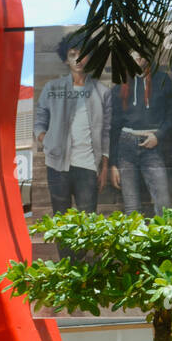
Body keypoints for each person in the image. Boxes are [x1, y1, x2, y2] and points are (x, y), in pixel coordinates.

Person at [35, 34, 112, 216]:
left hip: (88, 166)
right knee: (62, 223)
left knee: (87, 226)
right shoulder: (52, 88)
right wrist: (47, 140)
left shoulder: (102, 92)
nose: (78, 59)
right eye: (72, 54)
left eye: (83, 53)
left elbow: (107, 132)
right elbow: (40, 120)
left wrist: (104, 168)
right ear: (65, 59)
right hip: (57, 165)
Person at [109, 54, 172, 215]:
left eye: (140, 53)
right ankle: (136, 239)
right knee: (132, 207)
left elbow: (170, 117)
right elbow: (114, 128)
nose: (137, 58)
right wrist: (113, 164)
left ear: (148, 56)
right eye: (132, 54)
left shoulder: (163, 80)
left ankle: (163, 239)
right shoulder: (120, 87)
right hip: (125, 147)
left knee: (164, 203)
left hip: (152, 145)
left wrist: (158, 136)